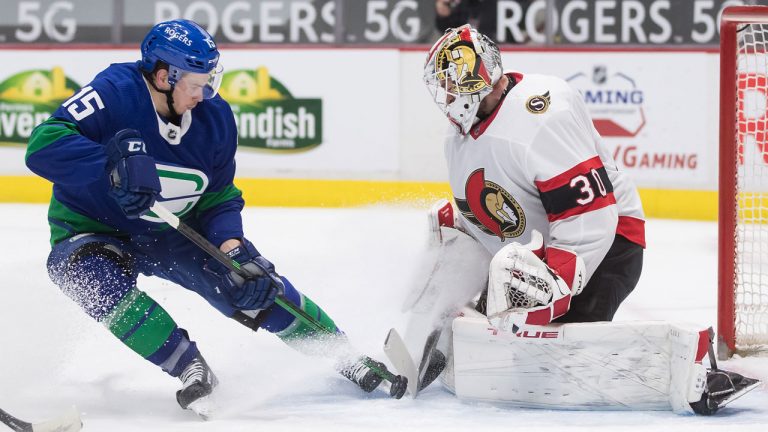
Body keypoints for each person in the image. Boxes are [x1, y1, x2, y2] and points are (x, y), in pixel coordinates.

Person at [25, 19, 404, 414]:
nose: (204, 93)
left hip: (175, 229)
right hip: (91, 226)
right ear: (162, 76)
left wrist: (232, 246)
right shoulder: (114, 92)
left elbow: (219, 196)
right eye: (195, 82)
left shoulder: (216, 119)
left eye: (210, 80)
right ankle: (187, 364)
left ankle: (343, 353)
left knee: (249, 279)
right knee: (86, 278)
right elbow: (43, 144)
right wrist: (110, 165)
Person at [421, 23, 645, 328]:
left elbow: (591, 216)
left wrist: (554, 282)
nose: (444, 96)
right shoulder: (457, 138)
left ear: (471, 78)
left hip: (607, 244)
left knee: (560, 356)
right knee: (448, 230)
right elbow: (496, 218)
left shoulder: (540, 118)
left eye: (449, 84)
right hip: (534, 256)